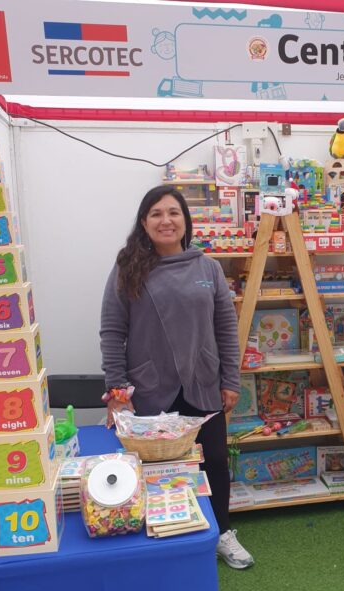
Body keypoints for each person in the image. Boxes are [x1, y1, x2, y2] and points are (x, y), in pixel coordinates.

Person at [99, 184, 254, 569]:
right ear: (144, 222)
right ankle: (162, 541)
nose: (165, 220)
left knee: (213, 460)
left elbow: (225, 329)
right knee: (156, 468)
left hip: (203, 383)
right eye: (156, 213)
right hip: (150, 388)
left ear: (185, 220)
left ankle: (222, 532)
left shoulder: (208, 268)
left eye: (173, 212)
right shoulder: (128, 267)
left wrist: (230, 380)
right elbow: (112, 332)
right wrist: (117, 390)